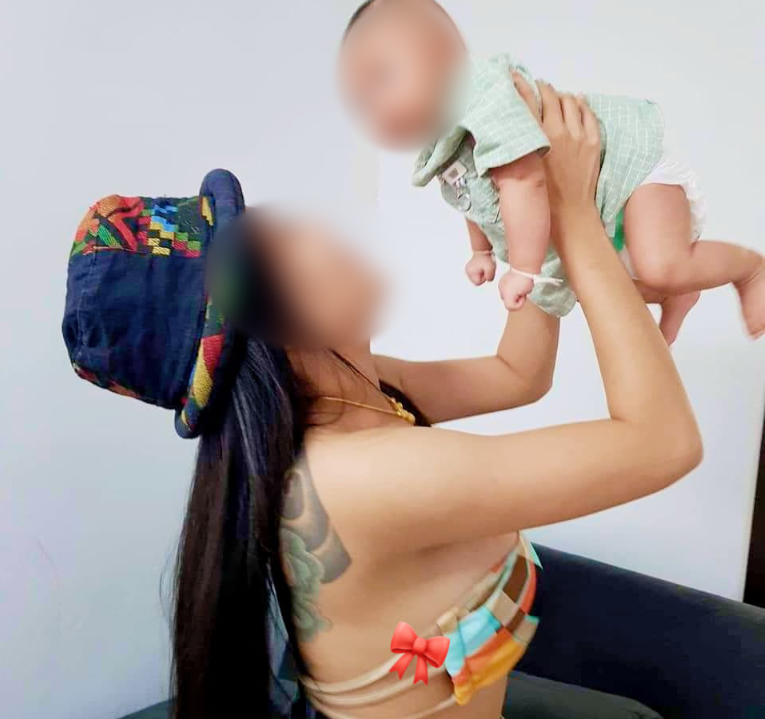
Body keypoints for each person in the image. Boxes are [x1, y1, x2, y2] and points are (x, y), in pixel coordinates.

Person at [63, 77, 709, 719]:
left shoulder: (357, 396)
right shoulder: (358, 475)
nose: (314, 227)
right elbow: (662, 443)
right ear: (264, 330)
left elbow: (517, 374)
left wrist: (533, 221)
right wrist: (576, 217)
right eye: (280, 243)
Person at [339, 0, 765, 344]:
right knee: (605, 290)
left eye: (382, 77)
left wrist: (523, 270)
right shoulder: (445, 142)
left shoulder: (485, 97)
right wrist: (481, 251)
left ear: (444, 53)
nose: (376, 109)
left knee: (658, 264)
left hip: (630, 174)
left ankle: (750, 269)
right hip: (598, 210)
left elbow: (524, 180)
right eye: (361, 102)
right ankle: (680, 292)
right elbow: (473, 201)